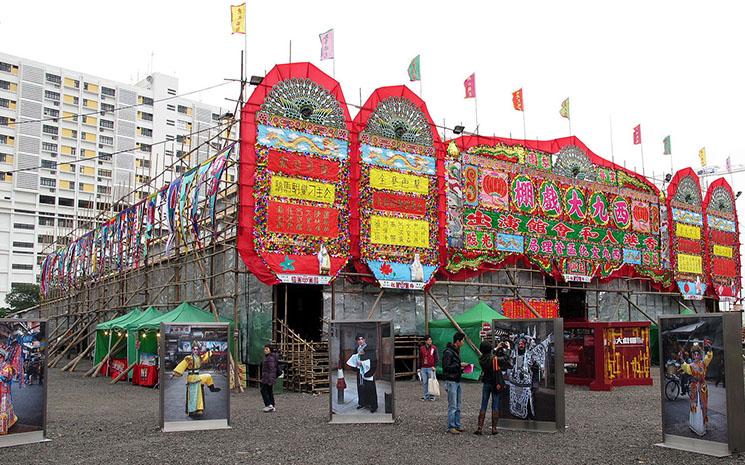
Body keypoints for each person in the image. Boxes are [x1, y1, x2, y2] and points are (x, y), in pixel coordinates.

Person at [172, 341, 222, 418]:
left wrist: (211, 351)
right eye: (194, 349)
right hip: (192, 378)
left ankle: (212, 388)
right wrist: (176, 372)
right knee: (194, 394)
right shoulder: (189, 358)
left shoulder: (199, 358)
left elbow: (205, 357)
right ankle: (193, 410)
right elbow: (182, 365)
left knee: (207, 377)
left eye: (197, 349)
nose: (195, 351)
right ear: (192, 350)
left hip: (197, 377)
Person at [475, 340, 510, 435]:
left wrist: (496, 348)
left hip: (486, 382)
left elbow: (489, 357)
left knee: (483, 404)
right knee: (495, 405)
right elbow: (505, 359)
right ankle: (494, 428)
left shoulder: (481, 358)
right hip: (495, 383)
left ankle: (479, 427)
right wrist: (508, 349)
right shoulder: (494, 359)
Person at [679, 342, 713, 436]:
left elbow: (708, 357)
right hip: (694, 388)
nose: (697, 356)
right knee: (695, 406)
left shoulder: (703, 364)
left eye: (698, 354)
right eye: (695, 354)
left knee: (703, 406)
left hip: (702, 388)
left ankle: (702, 425)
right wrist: (681, 359)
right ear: (692, 355)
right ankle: (695, 425)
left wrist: (709, 349)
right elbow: (685, 367)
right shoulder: (691, 366)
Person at [442, 332, 466, 434]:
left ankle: (457, 424)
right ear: (458, 341)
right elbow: (446, 367)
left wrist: (461, 369)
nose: (463, 342)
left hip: (456, 379)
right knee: (453, 405)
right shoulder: (448, 352)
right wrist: (459, 365)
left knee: (458, 404)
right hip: (451, 381)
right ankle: (451, 426)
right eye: (463, 340)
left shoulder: (456, 351)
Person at [353, 335, 378, 413]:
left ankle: (373, 406)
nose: (360, 341)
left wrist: (363, 363)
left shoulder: (370, 348)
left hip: (368, 371)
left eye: (362, 339)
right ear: (357, 341)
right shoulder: (356, 349)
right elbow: (354, 359)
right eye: (358, 339)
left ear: (364, 340)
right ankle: (362, 403)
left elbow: (373, 360)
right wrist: (356, 364)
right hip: (360, 372)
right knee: (361, 387)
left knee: (370, 388)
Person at [418, 335, 439, 401]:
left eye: (431, 340)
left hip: (431, 368)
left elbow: (437, 358)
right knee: (425, 382)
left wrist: (434, 366)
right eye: (429, 340)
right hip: (423, 368)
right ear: (425, 341)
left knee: (432, 382)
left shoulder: (434, 348)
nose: (430, 341)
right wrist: (419, 367)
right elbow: (420, 358)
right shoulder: (422, 348)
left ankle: (432, 396)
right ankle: (426, 396)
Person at [261, 344, 279, 412]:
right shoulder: (269, 357)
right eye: (265, 349)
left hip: (268, 378)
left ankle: (268, 405)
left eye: (267, 349)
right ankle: (272, 405)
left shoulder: (270, 358)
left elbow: (272, 370)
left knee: (263, 391)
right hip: (268, 377)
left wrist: (270, 380)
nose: (265, 350)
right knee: (269, 391)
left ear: (270, 350)